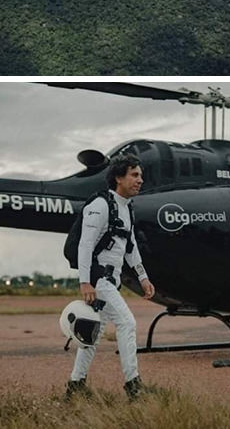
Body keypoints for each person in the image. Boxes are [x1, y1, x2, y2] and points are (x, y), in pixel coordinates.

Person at [66, 154, 155, 401]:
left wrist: (143, 278)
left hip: (110, 281)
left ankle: (74, 387)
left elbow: (131, 246)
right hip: (99, 281)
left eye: (141, 175)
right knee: (127, 323)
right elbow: (85, 245)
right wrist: (85, 282)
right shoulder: (100, 205)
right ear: (118, 177)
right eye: (134, 175)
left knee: (91, 336)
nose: (140, 180)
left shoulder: (127, 209)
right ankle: (133, 385)